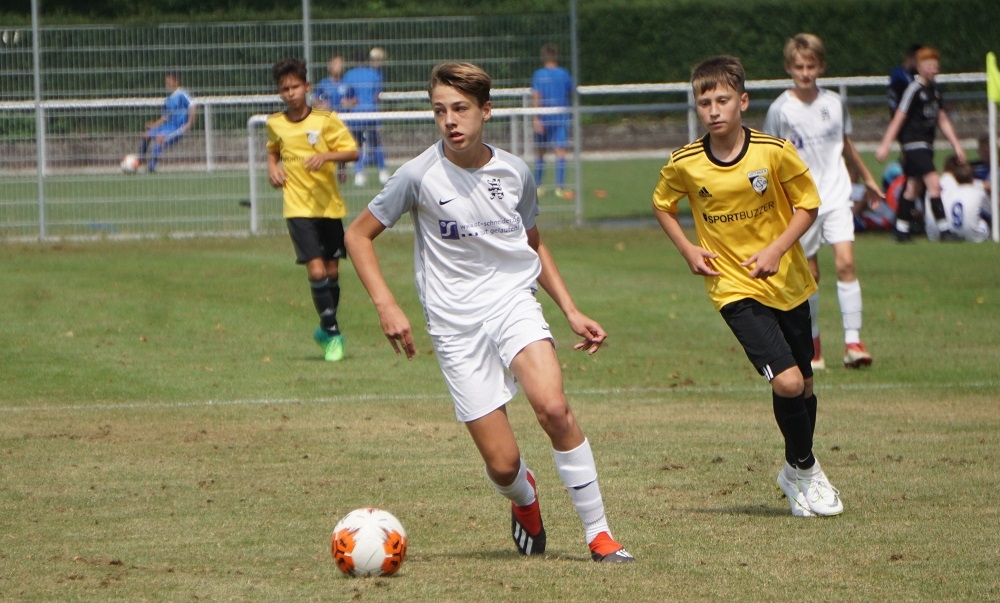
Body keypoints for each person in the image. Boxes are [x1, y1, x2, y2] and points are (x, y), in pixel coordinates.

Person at [345, 62, 634, 562]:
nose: (450, 121)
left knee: (554, 408)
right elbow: (357, 235)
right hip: (454, 325)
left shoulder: (515, 172)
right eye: (440, 111)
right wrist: (386, 304)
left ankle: (600, 534)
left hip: (512, 301)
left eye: (460, 109)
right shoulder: (417, 175)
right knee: (502, 466)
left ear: (486, 111)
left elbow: (531, 241)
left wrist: (569, 308)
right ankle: (525, 497)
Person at [652, 55, 843, 518]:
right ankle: (807, 470)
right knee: (788, 382)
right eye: (704, 103)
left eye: (722, 100)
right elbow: (662, 204)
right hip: (733, 287)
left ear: (742, 101)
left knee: (805, 386)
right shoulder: (685, 163)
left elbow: (808, 206)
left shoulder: (773, 151)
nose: (713, 110)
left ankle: (794, 472)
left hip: (787, 280)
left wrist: (776, 249)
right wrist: (688, 249)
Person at [762, 33, 885, 370]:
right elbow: (770, 156)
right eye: (799, 67)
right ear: (789, 68)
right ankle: (813, 346)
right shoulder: (780, 110)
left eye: (811, 66)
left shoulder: (834, 103)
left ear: (821, 66)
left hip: (836, 196)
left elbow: (845, 144)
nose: (805, 73)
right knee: (810, 275)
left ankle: (854, 343)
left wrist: (868, 179)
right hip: (801, 204)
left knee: (846, 263)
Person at [265, 58, 359, 362]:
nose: (290, 93)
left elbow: (353, 151)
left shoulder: (326, 119)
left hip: (328, 206)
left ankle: (324, 327)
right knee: (316, 270)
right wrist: (272, 168)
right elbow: (273, 149)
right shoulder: (275, 123)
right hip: (297, 207)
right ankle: (333, 334)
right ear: (280, 92)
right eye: (284, 89)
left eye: (295, 87)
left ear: (306, 87)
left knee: (332, 272)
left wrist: (326, 156)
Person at [876, 46, 966, 242]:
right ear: (919, 67)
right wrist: (885, 144)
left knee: (913, 187)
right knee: (934, 183)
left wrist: (957, 145)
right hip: (914, 144)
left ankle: (901, 230)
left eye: (935, 65)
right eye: (928, 65)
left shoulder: (935, 91)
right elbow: (899, 116)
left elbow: (942, 119)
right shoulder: (914, 89)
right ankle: (944, 230)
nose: (933, 69)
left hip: (926, 144)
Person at [531, 43, 574, 199]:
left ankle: (538, 186)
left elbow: (536, 96)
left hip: (543, 116)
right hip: (560, 117)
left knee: (540, 152)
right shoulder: (564, 74)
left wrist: (536, 118)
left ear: (543, 58)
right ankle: (559, 187)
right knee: (560, 151)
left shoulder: (538, 75)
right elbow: (571, 92)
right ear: (557, 57)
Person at [343, 47, 389, 187]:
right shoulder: (374, 74)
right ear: (366, 59)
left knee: (357, 143)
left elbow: (347, 96)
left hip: (356, 114)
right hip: (372, 112)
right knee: (376, 143)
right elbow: (377, 96)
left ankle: (359, 174)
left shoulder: (348, 75)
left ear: (353, 61)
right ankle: (382, 172)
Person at [138, 71, 197, 173]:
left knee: (159, 138)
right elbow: (165, 117)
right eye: (166, 81)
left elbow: (193, 105)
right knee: (146, 135)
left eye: (169, 81)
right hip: (169, 126)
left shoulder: (182, 93)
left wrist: (190, 123)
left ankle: (151, 166)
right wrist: (153, 125)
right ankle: (139, 160)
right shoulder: (168, 99)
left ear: (176, 81)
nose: (167, 84)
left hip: (179, 127)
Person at [924, 157, 990, 242]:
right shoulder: (974, 189)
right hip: (960, 231)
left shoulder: (936, 186)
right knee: (983, 221)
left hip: (933, 232)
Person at [313, 54, 355, 183]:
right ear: (329, 67)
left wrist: (349, 103)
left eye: (341, 64)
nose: (339, 67)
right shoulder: (323, 83)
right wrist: (321, 104)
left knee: (341, 148)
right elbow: (315, 100)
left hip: (342, 122)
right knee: (325, 146)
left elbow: (355, 99)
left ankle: (342, 172)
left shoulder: (346, 84)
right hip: (327, 122)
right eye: (336, 64)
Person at [887, 44, 922, 116]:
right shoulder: (901, 76)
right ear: (911, 57)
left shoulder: (907, 75)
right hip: (903, 117)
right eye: (919, 60)